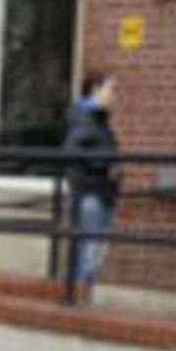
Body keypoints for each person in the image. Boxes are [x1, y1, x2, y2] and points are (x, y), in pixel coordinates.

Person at [63, 71, 120, 294]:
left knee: (93, 251)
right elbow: (71, 153)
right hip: (90, 193)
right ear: (95, 89)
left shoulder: (100, 119)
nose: (115, 95)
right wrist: (105, 165)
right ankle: (78, 300)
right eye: (111, 89)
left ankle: (82, 297)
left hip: (101, 192)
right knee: (89, 251)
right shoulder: (84, 118)